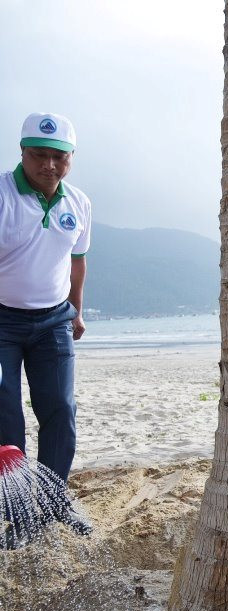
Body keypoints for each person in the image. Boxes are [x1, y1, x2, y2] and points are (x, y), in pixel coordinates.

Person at [0, 112, 94, 547]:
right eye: (40, 155)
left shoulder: (79, 203)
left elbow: (77, 259)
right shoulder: (2, 195)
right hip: (2, 321)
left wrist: (75, 309)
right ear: (23, 153)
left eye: (59, 157)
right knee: (6, 417)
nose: (49, 165)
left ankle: (54, 501)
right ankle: (17, 511)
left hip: (54, 319)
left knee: (60, 411)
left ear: (71, 158)